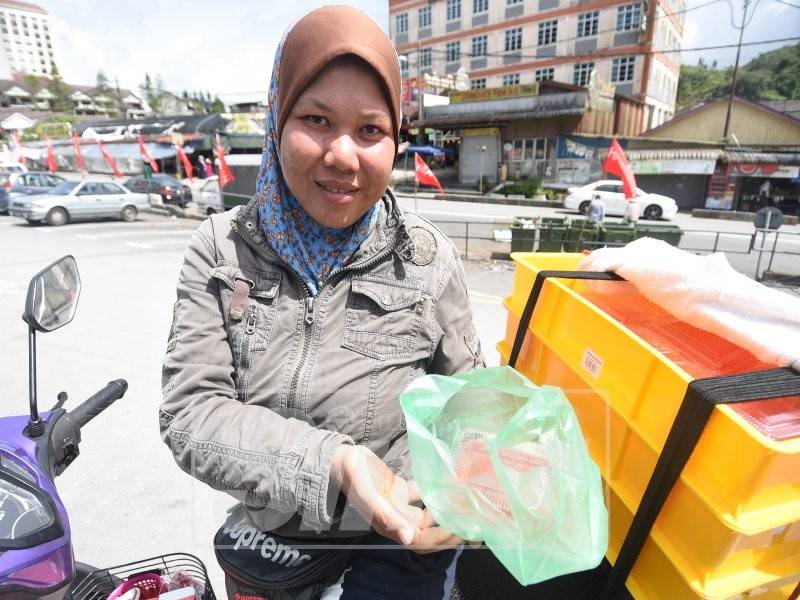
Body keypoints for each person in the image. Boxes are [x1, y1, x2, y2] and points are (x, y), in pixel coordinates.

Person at [159, 6, 483, 600]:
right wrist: (334, 465)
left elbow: (467, 402)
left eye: (370, 130)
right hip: (272, 544)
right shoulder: (223, 249)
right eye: (315, 119)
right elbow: (190, 413)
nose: (342, 155)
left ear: (394, 140)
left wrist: (477, 479)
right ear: (277, 123)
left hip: (398, 551)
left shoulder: (427, 257)